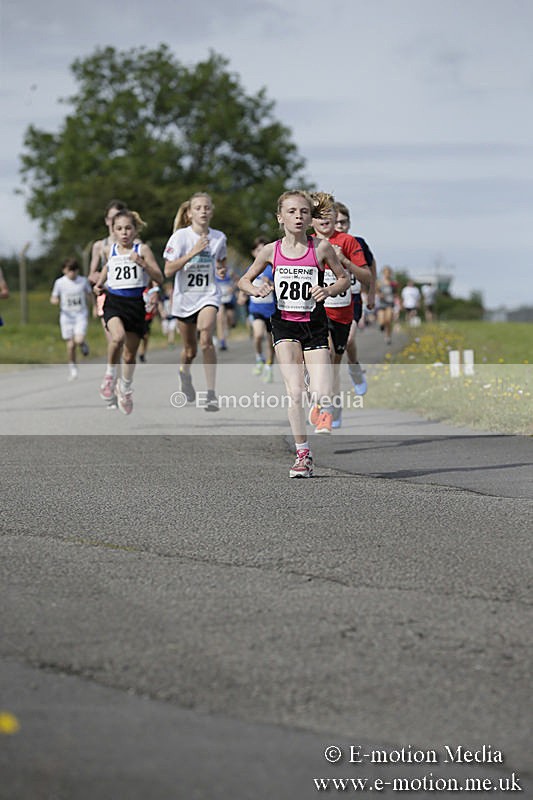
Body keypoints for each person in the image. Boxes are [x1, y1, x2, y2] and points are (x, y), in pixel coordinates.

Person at [238, 190, 350, 478]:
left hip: (314, 324)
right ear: (280, 217)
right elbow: (244, 280)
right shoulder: (270, 251)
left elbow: (343, 279)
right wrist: (256, 289)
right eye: (291, 212)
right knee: (295, 391)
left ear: (310, 216)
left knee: (322, 392)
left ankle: (319, 400)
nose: (298, 217)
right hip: (285, 324)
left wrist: (327, 290)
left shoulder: (321, 248)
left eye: (303, 212)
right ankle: (303, 454)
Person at [93, 209, 163, 414]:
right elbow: (108, 268)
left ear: (135, 230)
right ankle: (109, 376)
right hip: (114, 302)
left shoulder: (143, 249)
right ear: (113, 231)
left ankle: (125, 387)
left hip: (135, 305)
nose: (124, 233)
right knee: (117, 338)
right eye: (119, 229)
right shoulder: (110, 250)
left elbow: (159, 277)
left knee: (130, 355)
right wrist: (99, 283)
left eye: (128, 228)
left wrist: (141, 263)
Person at [163, 192, 228, 412]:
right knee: (190, 350)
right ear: (190, 213)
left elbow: (221, 261)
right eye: (198, 208)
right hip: (184, 299)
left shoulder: (219, 237)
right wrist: (193, 252)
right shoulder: (180, 237)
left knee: (206, 338)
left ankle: (211, 393)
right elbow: (168, 270)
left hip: (207, 295)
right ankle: (185, 372)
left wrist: (221, 268)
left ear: (212, 211)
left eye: (207, 207)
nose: (203, 211)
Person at [310, 204, 371, 428]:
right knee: (322, 357)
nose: (328, 220)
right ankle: (323, 405)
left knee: (334, 363)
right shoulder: (307, 243)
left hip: (345, 308)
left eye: (331, 216)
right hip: (317, 310)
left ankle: (333, 403)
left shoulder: (351, 242)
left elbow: (367, 275)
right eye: (319, 216)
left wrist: (343, 261)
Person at [334, 202, 376, 396]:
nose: (340, 226)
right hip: (328, 302)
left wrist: (372, 293)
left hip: (353, 299)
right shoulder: (321, 244)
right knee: (330, 351)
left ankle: (354, 367)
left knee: (349, 339)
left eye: (343, 222)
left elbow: (371, 266)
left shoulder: (356, 242)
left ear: (349, 223)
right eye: (336, 222)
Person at [88, 199, 128, 341]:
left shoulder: (131, 243)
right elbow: (91, 274)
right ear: (106, 221)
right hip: (106, 294)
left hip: (127, 294)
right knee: (113, 339)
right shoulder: (99, 245)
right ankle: (113, 363)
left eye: (117, 216)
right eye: (111, 218)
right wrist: (97, 277)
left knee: (126, 339)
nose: (113, 221)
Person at [238, 236, 276, 382]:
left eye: (264, 249)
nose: (261, 252)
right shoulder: (251, 268)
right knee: (258, 335)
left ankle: (269, 367)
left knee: (270, 341)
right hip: (256, 309)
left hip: (272, 310)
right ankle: (259, 358)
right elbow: (245, 283)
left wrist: (271, 283)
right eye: (258, 250)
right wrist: (242, 295)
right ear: (254, 252)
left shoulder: (273, 268)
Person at [50, 258, 92, 381]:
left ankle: (83, 344)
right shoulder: (60, 283)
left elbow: (89, 295)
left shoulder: (83, 281)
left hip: (80, 314)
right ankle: (73, 367)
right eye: (69, 271)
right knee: (70, 345)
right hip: (67, 316)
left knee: (78, 340)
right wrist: (55, 300)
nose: (72, 274)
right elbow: (54, 297)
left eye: (74, 271)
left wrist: (95, 306)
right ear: (64, 271)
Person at [139, 281, 162, 363]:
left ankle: (142, 352)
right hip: (139, 315)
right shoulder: (140, 290)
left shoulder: (152, 291)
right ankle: (137, 350)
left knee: (145, 336)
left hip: (148, 316)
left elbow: (157, 302)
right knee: (138, 335)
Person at [376, 266, 398, 346]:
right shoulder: (379, 282)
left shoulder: (393, 283)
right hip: (382, 303)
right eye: (386, 273)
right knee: (382, 320)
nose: (387, 274)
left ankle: (388, 336)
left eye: (389, 273)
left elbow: (395, 293)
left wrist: (398, 304)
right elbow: (376, 291)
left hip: (390, 303)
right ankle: (382, 326)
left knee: (388, 320)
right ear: (383, 273)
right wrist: (379, 294)